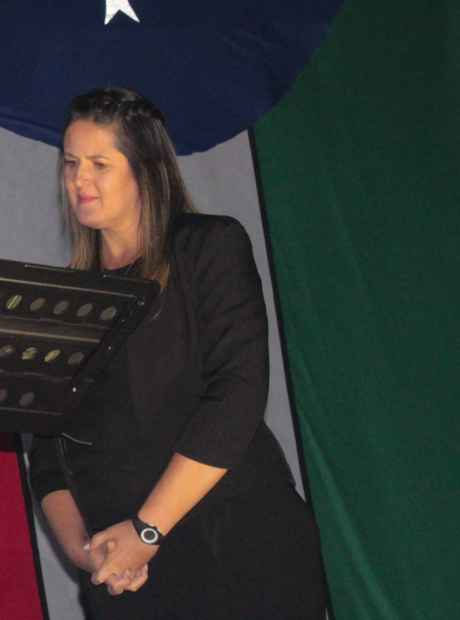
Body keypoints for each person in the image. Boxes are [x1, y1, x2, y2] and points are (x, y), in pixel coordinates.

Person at [27, 87, 328, 619]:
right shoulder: (63, 301)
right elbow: (48, 455)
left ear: (146, 169)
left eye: (99, 163)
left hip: (235, 540)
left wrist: (148, 528)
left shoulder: (207, 245)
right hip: (127, 572)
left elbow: (237, 394)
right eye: (70, 163)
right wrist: (88, 553)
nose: (78, 180)